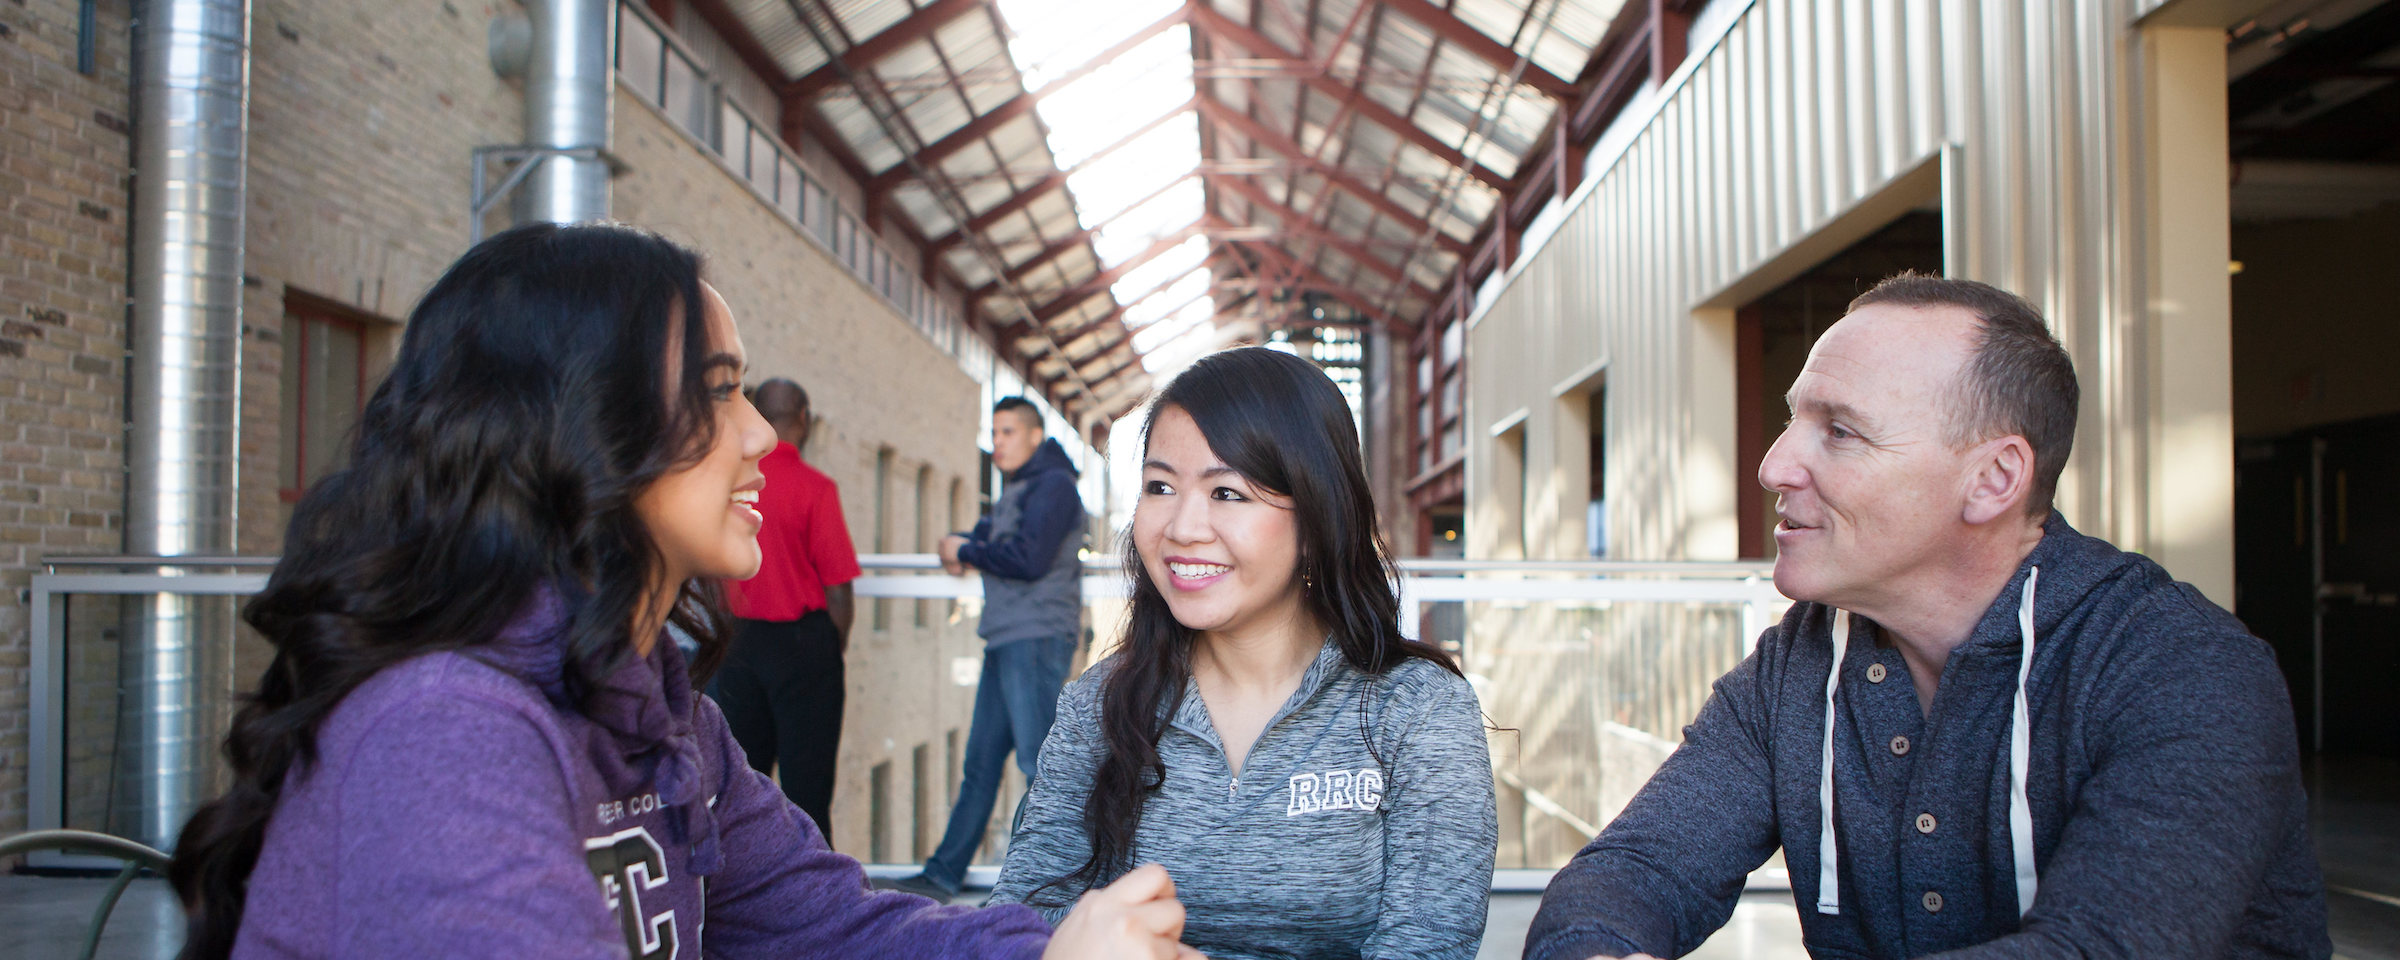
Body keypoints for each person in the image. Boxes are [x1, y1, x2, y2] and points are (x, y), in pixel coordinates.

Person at [166, 222, 1198, 960]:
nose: (757, 435)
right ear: (578, 425)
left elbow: (825, 923)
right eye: (717, 390)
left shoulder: (665, 717)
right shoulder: (445, 733)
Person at [1524, 274, 2331, 960]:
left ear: (1992, 480)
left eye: (1840, 431)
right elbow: (1636, 871)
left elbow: (2095, 949)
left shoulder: (2184, 670)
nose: (1773, 465)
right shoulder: (1797, 666)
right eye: (1793, 419)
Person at [987, 347, 1499, 959]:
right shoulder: (1099, 705)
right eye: (1160, 486)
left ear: (1317, 515)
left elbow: (1427, 945)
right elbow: (1024, 919)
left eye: (1227, 493)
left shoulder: (1416, 710)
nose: (1182, 528)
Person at [887, 396, 1089, 898]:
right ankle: (942, 875)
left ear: (1034, 436)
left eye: (1007, 433)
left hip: (1036, 638)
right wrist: (961, 542)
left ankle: (1052, 884)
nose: (995, 444)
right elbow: (988, 535)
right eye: (993, 433)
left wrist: (967, 551)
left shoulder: (1054, 487)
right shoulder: (1019, 488)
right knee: (979, 764)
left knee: (1039, 768)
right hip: (1006, 637)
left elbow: (1027, 557)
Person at [715, 376, 858, 839]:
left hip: (735, 646)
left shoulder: (728, 483)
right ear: (804, 419)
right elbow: (838, 589)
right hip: (803, 646)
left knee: (740, 791)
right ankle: (816, 905)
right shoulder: (816, 487)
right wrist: (830, 652)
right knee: (808, 793)